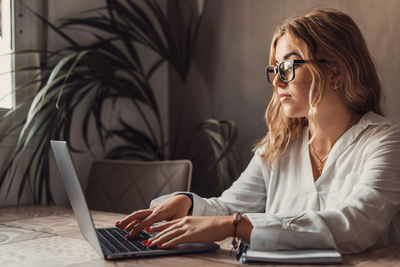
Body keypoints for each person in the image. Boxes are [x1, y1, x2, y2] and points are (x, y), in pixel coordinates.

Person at [115, 8, 400, 254]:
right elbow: (229, 208)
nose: (276, 81)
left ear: (335, 74)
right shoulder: (279, 144)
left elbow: (354, 226)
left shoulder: (386, 140)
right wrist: (188, 203)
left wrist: (235, 225)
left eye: (287, 66)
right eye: (274, 69)